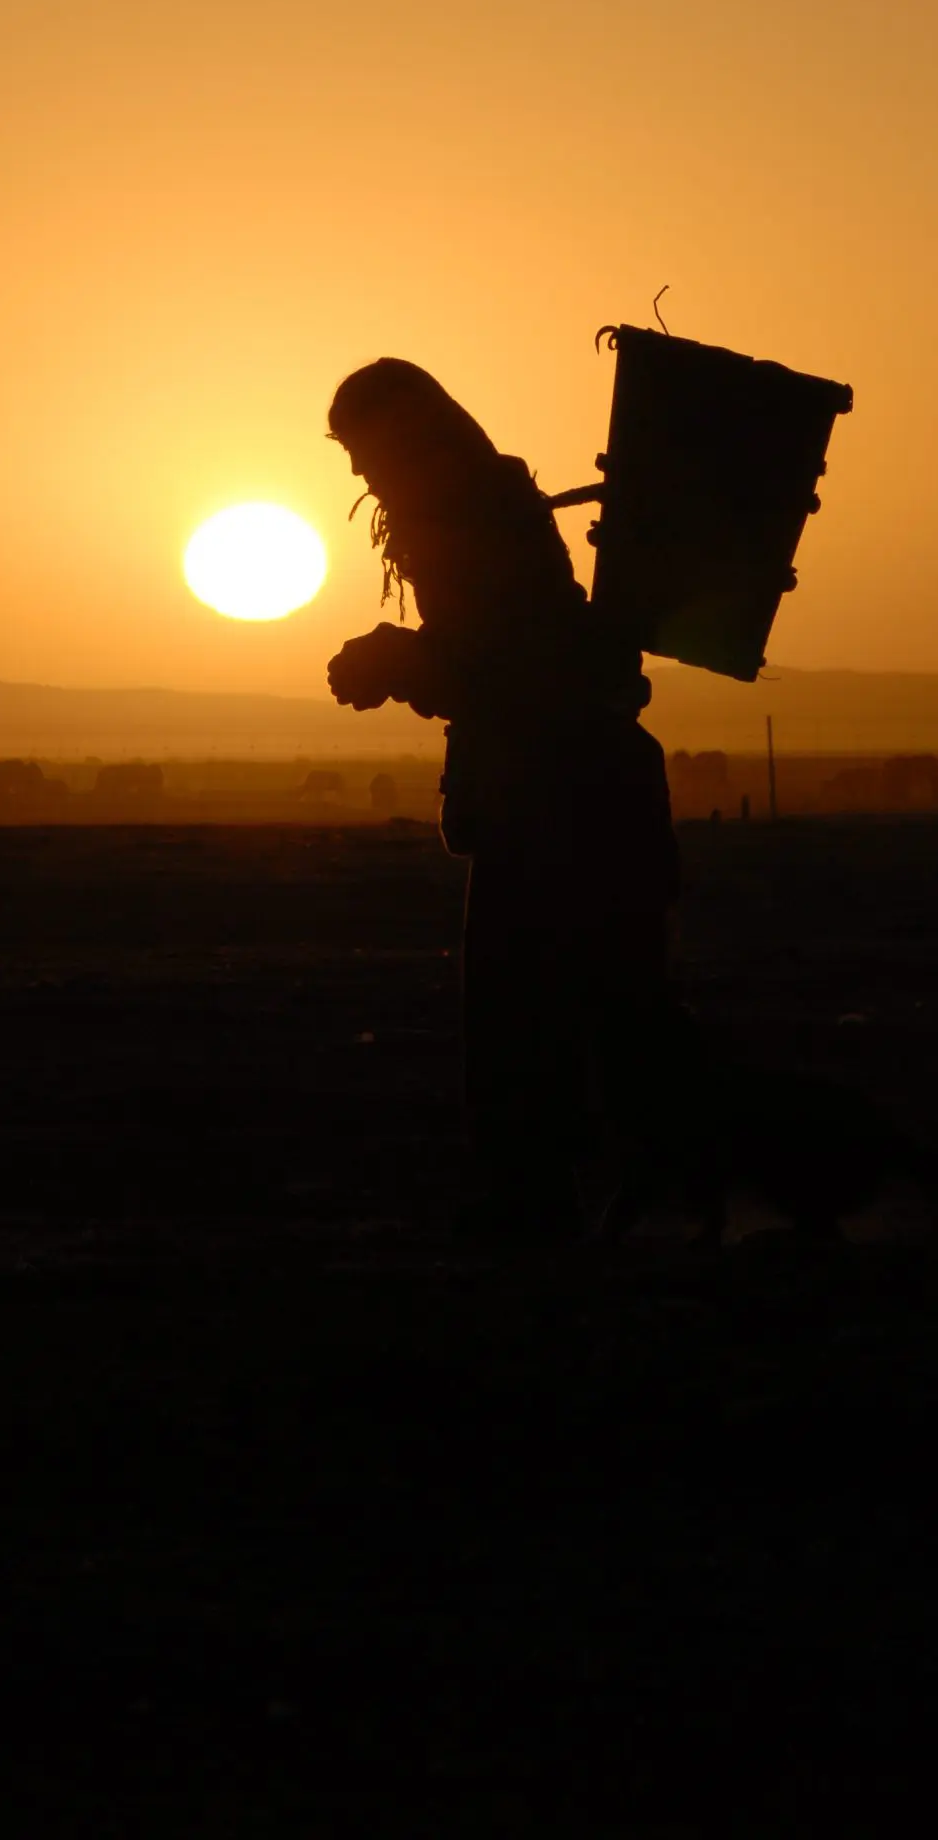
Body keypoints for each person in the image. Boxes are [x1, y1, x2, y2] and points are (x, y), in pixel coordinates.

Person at [325, 358, 679, 1243]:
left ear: (405, 435)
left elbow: (511, 667)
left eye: (363, 449)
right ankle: (595, 1203)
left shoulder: (471, 516)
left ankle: (577, 1209)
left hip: (559, 800)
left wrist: (399, 661)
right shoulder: (478, 507)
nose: (359, 472)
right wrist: (407, 660)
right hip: (567, 794)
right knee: (592, 1014)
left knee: (549, 1017)